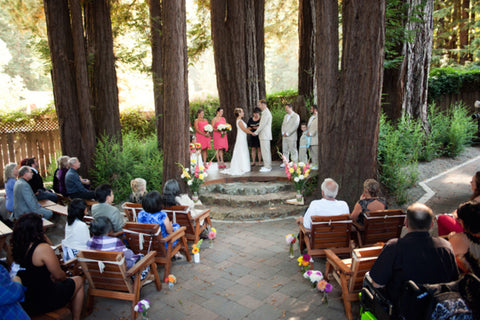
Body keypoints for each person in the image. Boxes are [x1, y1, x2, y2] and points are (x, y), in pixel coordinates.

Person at [369, 203, 459, 307]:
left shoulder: (394, 247)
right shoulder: (445, 247)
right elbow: (454, 281)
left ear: (406, 223)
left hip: (402, 308)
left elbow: (377, 283)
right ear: (431, 225)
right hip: (437, 307)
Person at [12, 213, 84, 319]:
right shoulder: (42, 248)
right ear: (38, 230)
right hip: (43, 299)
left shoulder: (15, 247)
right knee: (78, 280)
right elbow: (59, 276)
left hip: (25, 299)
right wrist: (65, 277)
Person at [437, 171, 480, 236]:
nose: (470, 182)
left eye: (472, 181)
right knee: (445, 218)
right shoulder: (476, 198)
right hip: (470, 229)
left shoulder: (477, 200)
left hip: (471, 233)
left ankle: (445, 242)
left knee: (442, 218)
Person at [448, 201, 480, 276]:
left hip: (473, 283)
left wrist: (453, 237)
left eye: (458, 219)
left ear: (463, 221)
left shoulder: (462, 239)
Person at [221, 108, 252, 176]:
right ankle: (242, 166)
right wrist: (252, 133)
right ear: (239, 113)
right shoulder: (239, 121)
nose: (243, 113)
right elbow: (244, 129)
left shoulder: (240, 120)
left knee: (243, 150)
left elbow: (245, 128)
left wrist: (251, 128)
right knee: (241, 150)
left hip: (242, 137)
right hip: (241, 138)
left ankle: (243, 166)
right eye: (242, 112)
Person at [253, 99, 273, 172]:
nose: (259, 106)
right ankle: (267, 165)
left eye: (259, 104)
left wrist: (255, 132)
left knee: (265, 150)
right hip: (263, 135)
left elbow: (262, 125)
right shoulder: (264, 113)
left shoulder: (266, 113)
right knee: (264, 151)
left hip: (265, 135)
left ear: (263, 105)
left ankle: (267, 166)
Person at [307, 105, 319, 170]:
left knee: (315, 151)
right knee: (311, 151)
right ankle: (314, 163)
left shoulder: (318, 117)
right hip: (310, 138)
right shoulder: (311, 118)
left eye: (311, 109)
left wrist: (311, 133)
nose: (310, 110)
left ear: (315, 110)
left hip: (315, 137)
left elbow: (317, 127)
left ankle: (317, 164)